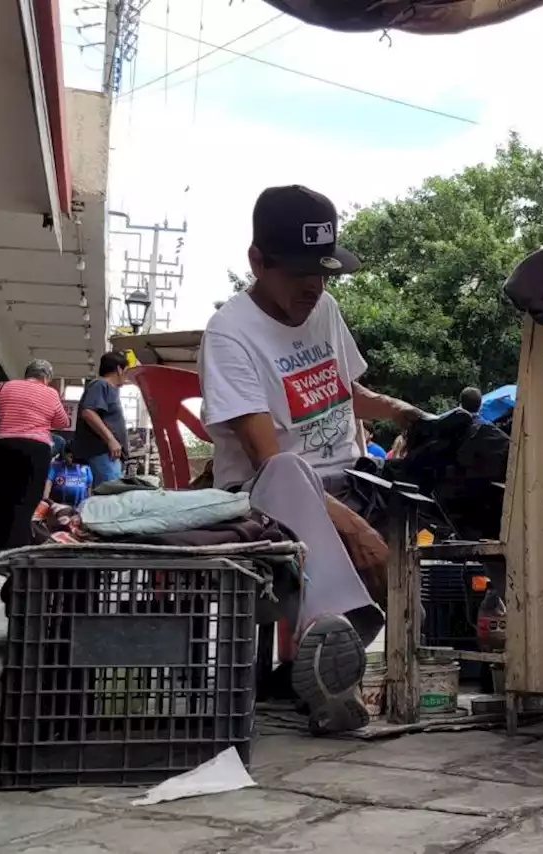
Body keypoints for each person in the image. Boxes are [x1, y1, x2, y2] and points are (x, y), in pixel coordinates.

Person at [200, 184, 426, 734]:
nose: (313, 286)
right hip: (264, 496)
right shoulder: (230, 335)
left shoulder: (323, 308)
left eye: (322, 271)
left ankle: (318, 661)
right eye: (299, 271)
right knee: (288, 470)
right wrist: (351, 527)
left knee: (447, 475)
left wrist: (407, 414)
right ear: (257, 261)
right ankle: (327, 640)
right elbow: (266, 457)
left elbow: (349, 391)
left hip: (347, 478)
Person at [0, 359, 70, 552]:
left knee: (3, 497)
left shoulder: (4, 387)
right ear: (46, 377)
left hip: (3, 446)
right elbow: (62, 422)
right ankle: (15, 548)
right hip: (35, 448)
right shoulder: (50, 392)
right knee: (28, 500)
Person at [72, 352, 128, 487]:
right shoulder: (100, 384)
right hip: (104, 453)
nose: (127, 376)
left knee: (110, 497)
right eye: (127, 371)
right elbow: (89, 412)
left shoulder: (107, 388)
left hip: (109, 455)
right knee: (110, 497)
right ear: (119, 370)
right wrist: (111, 439)